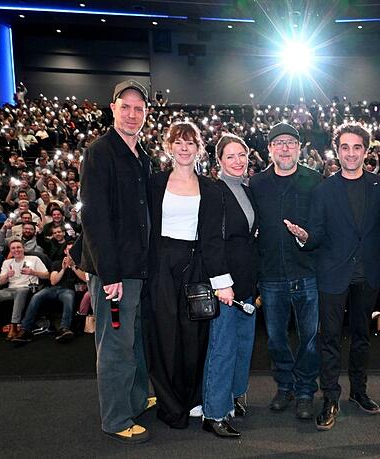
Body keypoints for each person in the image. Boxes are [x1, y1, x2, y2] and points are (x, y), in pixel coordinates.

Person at [284, 123, 380, 430]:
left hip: (367, 274)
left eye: (357, 147)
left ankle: (359, 391)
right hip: (332, 274)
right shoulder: (323, 189)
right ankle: (330, 397)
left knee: (362, 338)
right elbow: (316, 234)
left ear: (366, 151)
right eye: (345, 147)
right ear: (337, 150)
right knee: (329, 339)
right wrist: (304, 237)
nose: (351, 153)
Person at [79, 80, 155, 443]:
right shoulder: (100, 152)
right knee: (115, 346)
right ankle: (116, 417)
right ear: (112, 109)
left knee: (135, 339)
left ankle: (137, 398)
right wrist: (108, 273)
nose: (132, 113)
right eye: (125, 106)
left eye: (139, 108)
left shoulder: (143, 156)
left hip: (138, 269)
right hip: (115, 272)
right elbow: (93, 217)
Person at [145, 121, 232, 431]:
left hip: (195, 266)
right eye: (178, 143)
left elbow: (212, 238)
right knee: (163, 336)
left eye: (190, 143)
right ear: (169, 147)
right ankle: (170, 405)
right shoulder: (154, 183)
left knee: (194, 337)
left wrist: (222, 281)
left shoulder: (210, 188)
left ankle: (193, 398)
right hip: (160, 267)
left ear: (199, 148)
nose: (184, 148)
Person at [249, 122, 322, 421]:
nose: (284, 148)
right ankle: (285, 386)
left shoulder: (315, 180)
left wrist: (308, 236)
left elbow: (321, 226)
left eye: (290, 142)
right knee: (276, 338)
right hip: (271, 274)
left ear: (299, 147)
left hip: (307, 271)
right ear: (269, 149)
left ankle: (305, 390)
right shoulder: (256, 183)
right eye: (278, 143)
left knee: (309, 339)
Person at [201, 133, 258, 437]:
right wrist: (222, 283)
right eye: (230, 156)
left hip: (246, 283)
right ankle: (214, 412)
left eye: (242, 155)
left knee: (243, 346)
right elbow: (210, 241)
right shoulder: (214, 191)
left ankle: (232, 398)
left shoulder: (247, 189)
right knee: (222, 348)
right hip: (225, 287)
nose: (238, 161)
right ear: (219, 161)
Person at [12, 241, 85, 344]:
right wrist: (63, 269)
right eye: (69, 250)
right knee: (37, 296)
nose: (71, 253)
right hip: (52, 288)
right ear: (65, 251)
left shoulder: (81, 264)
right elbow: (53, 280)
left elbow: (85, 279)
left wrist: (74, 267)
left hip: (68, 290)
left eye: (73, 250)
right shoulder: (57, 263)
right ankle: (25, 329)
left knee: (69, 297)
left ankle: (64, 328)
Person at [0, 238, 48, 343]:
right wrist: (7, 275)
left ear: (23, 248)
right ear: (10, 250)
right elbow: (1, 282)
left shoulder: (34, 259)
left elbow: (47, 275)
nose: (16, 250)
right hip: (10, 289)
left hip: (27, 288)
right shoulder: (7, 263)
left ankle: (14, 325)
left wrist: (33, 272)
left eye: (18, 247)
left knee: (20, 291)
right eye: (13, 248)